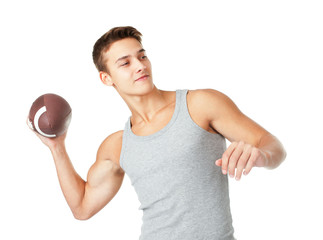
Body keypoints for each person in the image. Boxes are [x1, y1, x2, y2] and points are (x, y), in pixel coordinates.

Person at [29, 26, 286, 240]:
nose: (139, 66)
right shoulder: (117, 145)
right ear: (106, 78)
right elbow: (82, 208)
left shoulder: (199, 104)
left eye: (142, 56)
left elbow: (273, 146)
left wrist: (261, 155)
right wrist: (57, 146)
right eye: (125, 63)